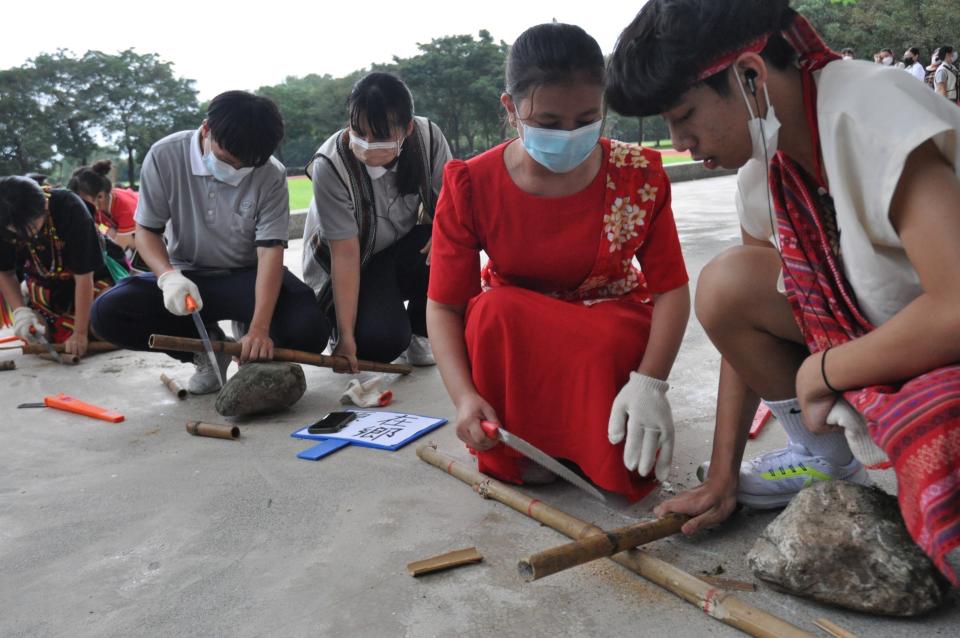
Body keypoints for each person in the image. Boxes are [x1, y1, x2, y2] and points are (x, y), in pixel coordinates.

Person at [607, 0, 960, 585]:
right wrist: (722, 476)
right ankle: (824, 461)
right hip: (888, 342)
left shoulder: (873, 112)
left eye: (686, 114)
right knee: (727, 284)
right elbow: (744, 326)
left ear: (750, 76)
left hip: (936, 343)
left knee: (942, 440)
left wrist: (825, 369)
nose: (681, 141)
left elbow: (955, 306)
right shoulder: (761, 169)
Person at [428, 23, 690, 501]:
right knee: (491, 313)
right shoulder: (471, 184)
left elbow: (671, 289)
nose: (569, 135)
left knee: (608, 341)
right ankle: (524, 447)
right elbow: (446, 306)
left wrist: (651, 382)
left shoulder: (639, 177)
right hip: (519, 328)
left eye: (587, 119)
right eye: (548, 122)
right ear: (511, 109)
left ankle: (594, 447)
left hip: (611, 322)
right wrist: (464, 398)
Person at [91, 91, 326, 394]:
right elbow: (146, 232)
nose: (236, 172)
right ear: (206, 129)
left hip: (246, 278)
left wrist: (259, 329)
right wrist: (167, 276)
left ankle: (248, 338)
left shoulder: (270, 174)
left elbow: (270, 252)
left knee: (310, 329)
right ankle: (205, 349)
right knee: (107, 313)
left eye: (247, 166)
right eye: (228, 161)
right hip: (188, 277)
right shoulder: (165, 156)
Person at [302, 72, 451, 372]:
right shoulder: (330, 165)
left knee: (451, 241)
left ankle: (421, 332)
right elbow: (344, 254)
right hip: (354, 263)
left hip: (400, 250)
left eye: (381, 135)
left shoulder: (428, 137)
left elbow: (452, 204)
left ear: (407, 128)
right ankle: (350, 327)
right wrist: (346, 336)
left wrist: (444, 234)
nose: (367, 144)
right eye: (359, 131)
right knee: (379, 344)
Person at [0, 176, 113, 358]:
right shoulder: (3, 218)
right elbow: (4, 271)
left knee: (104, 326)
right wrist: (20, 312)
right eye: (16, 230)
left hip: (90, 284)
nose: (23, 236)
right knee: (36, 333)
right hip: (45, 292)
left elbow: (84, 276)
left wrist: (80, 333)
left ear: (44, 206)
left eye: (29, 228)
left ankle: (89, 328)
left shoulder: (70, 207)